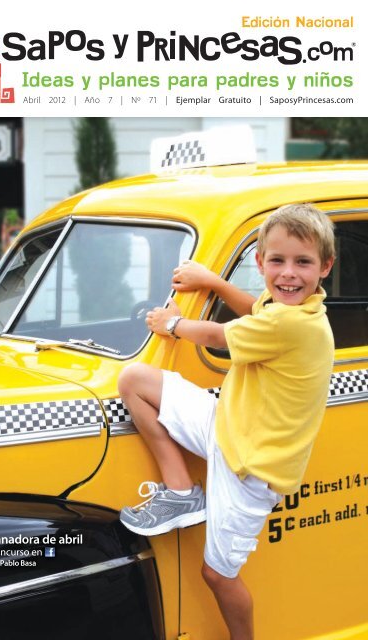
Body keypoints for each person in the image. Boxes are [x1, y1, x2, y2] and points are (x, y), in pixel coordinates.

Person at [118, 204, 335, 640]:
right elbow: (254, 309)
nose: (288, 273)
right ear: (260, 263)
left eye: (303, 262)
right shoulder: (287, 308)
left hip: (250, 468)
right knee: (135, 380)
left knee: (217, 575)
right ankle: (181, 491)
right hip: (226, 427)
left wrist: (172, 323)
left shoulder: (297, 325)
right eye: (277, 261)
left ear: (325, 267)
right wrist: (214, 282)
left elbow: (219, 336)